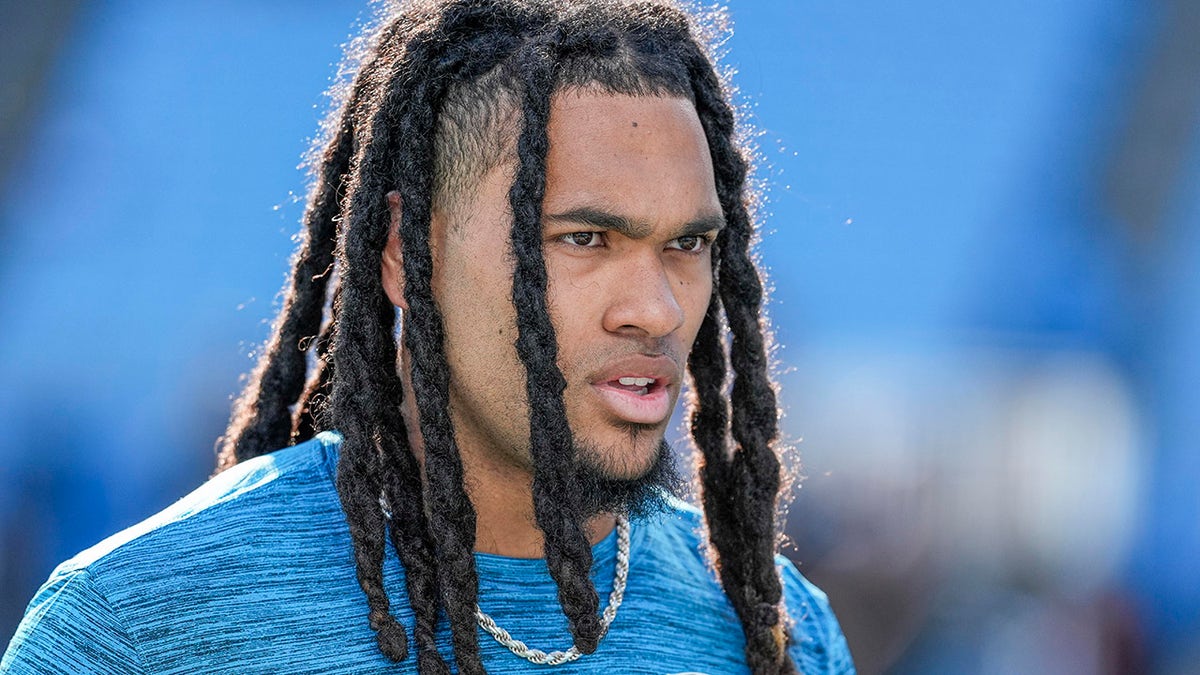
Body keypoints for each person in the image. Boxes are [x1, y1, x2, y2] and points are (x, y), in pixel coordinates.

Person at [1, 0, 854, 673]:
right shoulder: (143, 626)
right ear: (409, 255)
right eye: (583, 239)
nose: (657, 309)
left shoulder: (776, 636)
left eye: (687, 244)